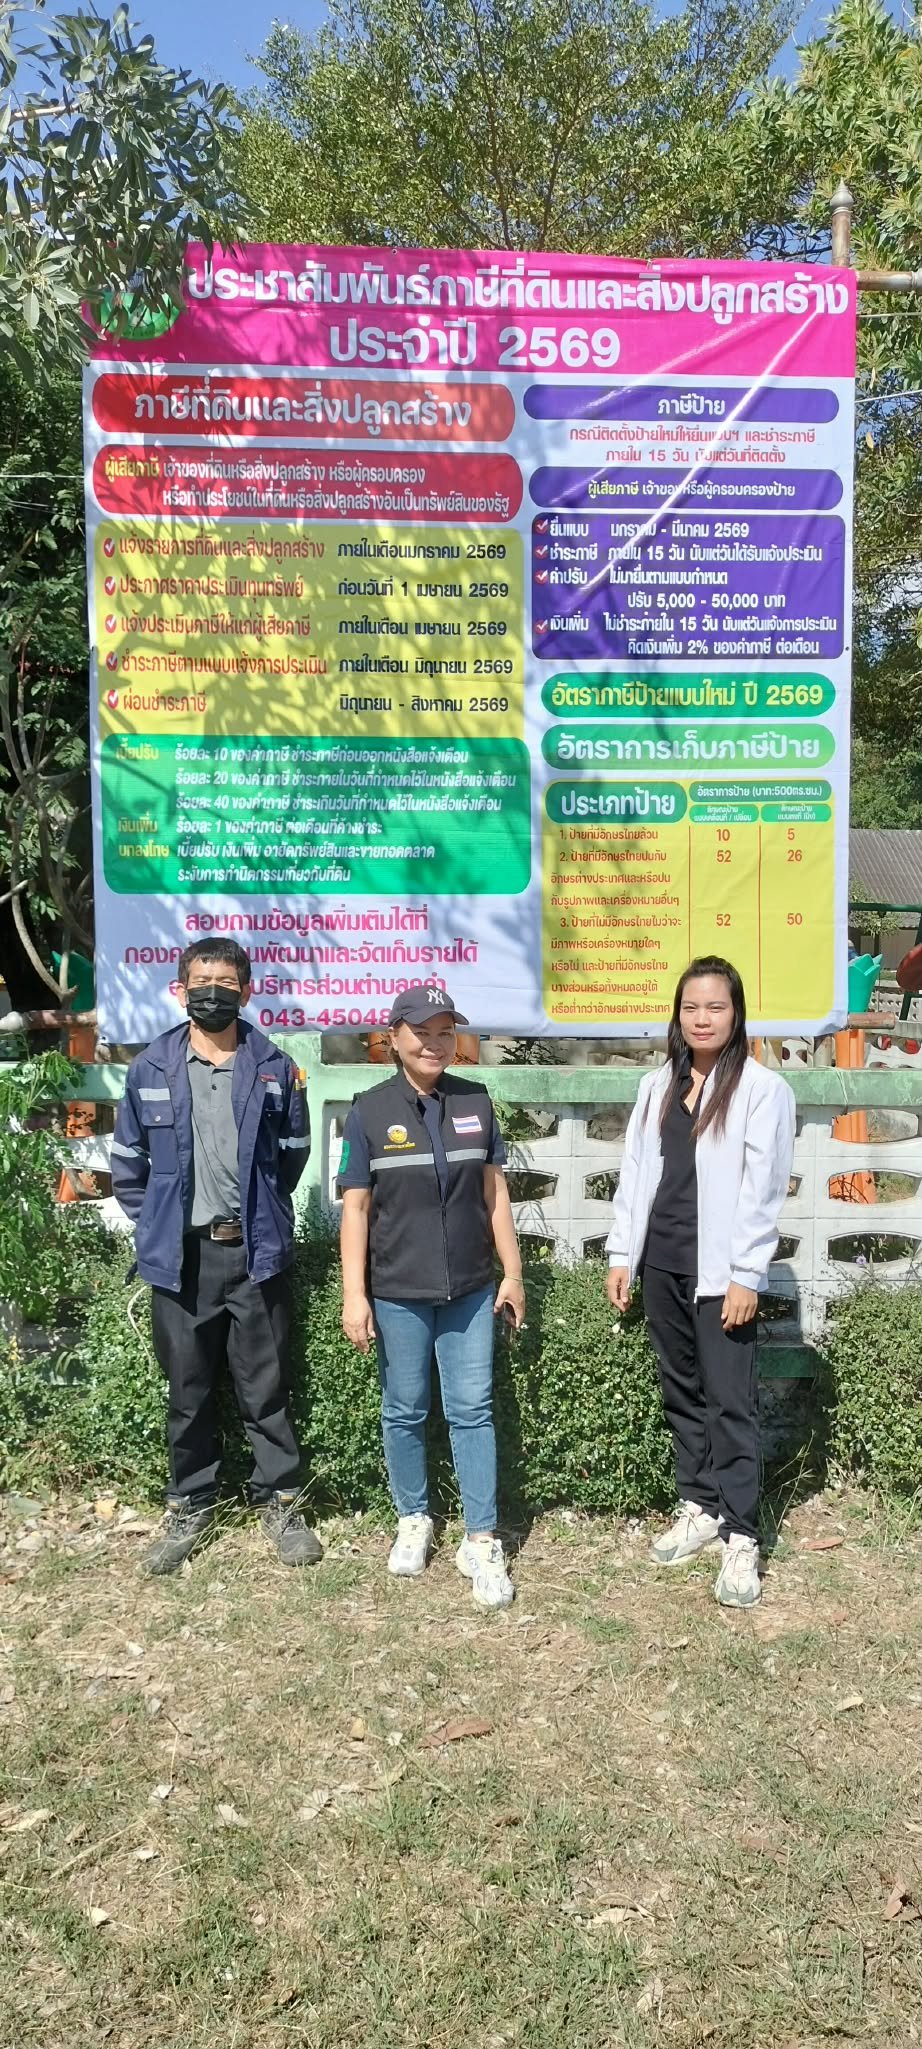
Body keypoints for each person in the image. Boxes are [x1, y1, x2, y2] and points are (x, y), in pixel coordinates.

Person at [111, 937, 322, 1576]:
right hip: (182, 1261)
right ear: (180, 989)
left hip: (254, 1255)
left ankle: (281, 1502)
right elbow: (128, 1166)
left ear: (246, 991)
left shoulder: (274, 1067)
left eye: (226, 984)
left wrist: (258, 1215)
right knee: (187, 1389)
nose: (212, 993)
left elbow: (291, 1157)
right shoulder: (150, 1068)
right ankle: (190, 1503)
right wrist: (160, 1223)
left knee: (267, 1388)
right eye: (200, 983)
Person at [605, 957, 795, 1608]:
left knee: (730, 1401)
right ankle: (701, 1505)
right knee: (682, 1391)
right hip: (662, 1261)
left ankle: (742, 1533)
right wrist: (622, 1254)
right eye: (691, 1007)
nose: (703, 1018)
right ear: (677, 1015)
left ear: (736, 1014)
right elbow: (636, 1172)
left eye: (716, 1006)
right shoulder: (658, 1084)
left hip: (721, 1272)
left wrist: (747, 1274)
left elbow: (763, 1193)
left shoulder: (762, 1090)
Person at [338, 985, 524, 1610]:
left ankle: (481, 1539)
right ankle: (413, 1517)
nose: (435, 1043)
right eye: (421, 1032)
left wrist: (513, 1273)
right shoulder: (369, 1112)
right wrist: (355, 1294)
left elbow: (495, 1196)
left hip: (470, 1289)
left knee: (473, 1410)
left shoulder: (476, 1101)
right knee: (405, 1409)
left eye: (446, 1032)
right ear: (393, 1037)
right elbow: (356, 1210)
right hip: (398, 1291)